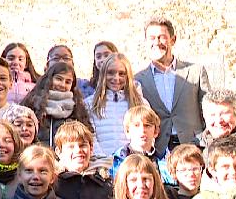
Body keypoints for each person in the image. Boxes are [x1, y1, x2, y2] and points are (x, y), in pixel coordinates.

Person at [136, 17, 210, 152]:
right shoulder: (138, 80)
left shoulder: (195, 72)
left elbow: (209, 110)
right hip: (159, 150)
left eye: (162, 37)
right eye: (152, 38)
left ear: (173, 39)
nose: (156, 42)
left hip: (194, 146)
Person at [53, 120, 113, 199]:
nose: (78, 150)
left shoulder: (105, 184)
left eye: (82, 145)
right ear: (58, 152)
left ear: (91, 148)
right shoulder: (54, 185)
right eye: (71, 146)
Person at [86, 53, 149, 157]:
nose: (116, 78)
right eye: (111, 73)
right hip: (102, 165)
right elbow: (90, 136)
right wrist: (104, 161)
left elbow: (147, 135)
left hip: (133, 164)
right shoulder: (90, 104)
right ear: (103, 75)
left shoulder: (141, 103)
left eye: (121, 74)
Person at [20, 61, 93, 147]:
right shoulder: (32, 102)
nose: (62, 84)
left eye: (68, 82)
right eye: (59, 79)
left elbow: (87, 137)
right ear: (49, 79)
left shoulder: (77, 109)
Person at [110, 106, 175, 185]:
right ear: (127, 131)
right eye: (136, 125)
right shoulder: (115, 162)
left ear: (156, 131)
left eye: (147, 125)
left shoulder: (164, 163)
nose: (142, 130)